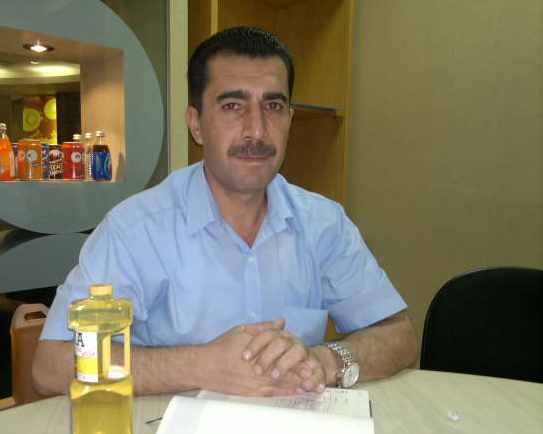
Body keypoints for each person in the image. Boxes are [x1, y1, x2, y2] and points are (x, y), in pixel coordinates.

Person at [33, 27, 418, 397]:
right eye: (233, 106)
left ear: (289, 120)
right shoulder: (135, 229)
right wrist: (202, 365)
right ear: (196, 125)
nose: (257, 131)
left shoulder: (324, 224)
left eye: (273, 106)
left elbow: (399, 336)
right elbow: (51, 364)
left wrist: (325, 360)